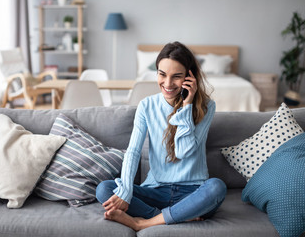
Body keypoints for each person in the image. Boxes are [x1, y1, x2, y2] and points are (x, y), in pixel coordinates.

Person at [96, 41, 227, 231]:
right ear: (156, 72)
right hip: (155, 190)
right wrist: (125, 192)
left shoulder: (206, 107)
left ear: (190, 76)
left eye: (176, 77)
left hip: (192, 192)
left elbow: (183, 151)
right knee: (104, 189)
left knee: (217, 187)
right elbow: (132, 152)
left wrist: (187, 106)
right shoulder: (146, 106)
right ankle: (175, 216)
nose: (167, 84)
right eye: (162, 74)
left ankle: (145, 222)